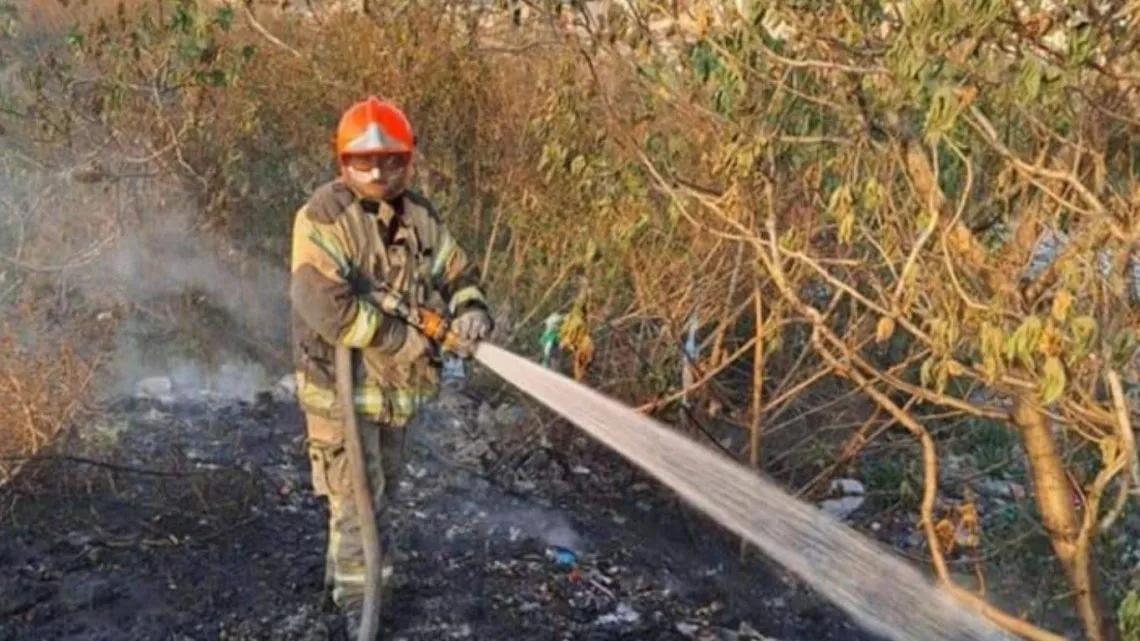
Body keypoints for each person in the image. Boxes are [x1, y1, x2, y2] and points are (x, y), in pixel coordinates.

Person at [288, 96, 493, 637]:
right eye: (364, 161)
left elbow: (457, 272)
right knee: (359, 505)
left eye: (391, 160)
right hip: (341, 393)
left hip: (396, 395)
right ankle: (362, 609)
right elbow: (326, 308)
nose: (378, 171)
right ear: (342, 162)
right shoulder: (324, 217)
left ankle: (345, 584)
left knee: (377, 499)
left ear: (408, 159)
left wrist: (470, 309)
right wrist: (405, 337)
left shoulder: (421, 215)